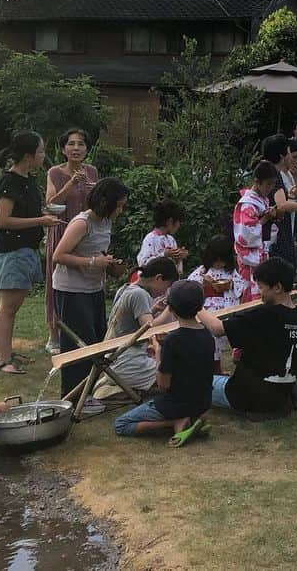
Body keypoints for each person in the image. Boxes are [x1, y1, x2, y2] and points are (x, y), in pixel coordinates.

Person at [52, 177, 131, 404]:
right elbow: (58, 256)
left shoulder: (105, 222)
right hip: (72, 291)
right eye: (119, 204)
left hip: (94, 289)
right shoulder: (81, 222)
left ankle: (89, 392)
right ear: (105, 202)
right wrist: (92, 262)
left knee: (97, 342)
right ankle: (73, 399)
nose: (121, 210)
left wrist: (109, 263)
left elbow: (98, 254)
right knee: (79, 345)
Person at [206, 258, 297, 419]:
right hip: (280, 395)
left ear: (277, 287)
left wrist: (196, 308)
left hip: (243, 396)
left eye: (261, 287)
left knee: (193, 382)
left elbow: (217, 329)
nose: (259, 292)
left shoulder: (263, 315)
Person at [0, 131, 61, 375]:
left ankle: (5, 352)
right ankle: (3, 359)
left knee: (12, 306)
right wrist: (39, 220)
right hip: (12, 251)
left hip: (25, 249)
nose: (44, 156)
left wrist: (42, 214)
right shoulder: (10, 182)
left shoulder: (27, 180)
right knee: (8, 307)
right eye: (41, 151)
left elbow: (26, 212)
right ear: (28, 156)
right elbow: (3, 220)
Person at [114, 281, 213, 447]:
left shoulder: (172, 341)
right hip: (202, 402)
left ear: (171, 308)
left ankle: (175, 423)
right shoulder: (207, 335)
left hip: (175, 405)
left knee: (121, 424)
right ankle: (195, 418)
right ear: (200, 306)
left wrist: (159, 352)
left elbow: (162, 385)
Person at [44, 129, 99, 355]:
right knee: (55, 284)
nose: (76, 148)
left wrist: (90, 186)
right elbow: (49, 204)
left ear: (87, 149)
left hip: (86, 235)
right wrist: (70, 185)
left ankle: (85, 330)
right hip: (61, 233)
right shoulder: (54, 173)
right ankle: (54, 334)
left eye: (81, 144)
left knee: (87, 280)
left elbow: (101, 201)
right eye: (71, 144)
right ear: (63, 149)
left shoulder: (92, 172)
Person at [92, 257, 179, 400]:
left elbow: (132, 322)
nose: (164, 292)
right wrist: (171, 308)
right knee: (173, 374)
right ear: (158, 278)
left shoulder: (127, 288)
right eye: (167, 286)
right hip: (127, 361)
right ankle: (122, 387)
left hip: (112, 359)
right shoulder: (140, 294)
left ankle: (117, 383)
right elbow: (149, 329)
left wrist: (154, 309)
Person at [186, 236, 247, 373]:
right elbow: (189, 286)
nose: (219, 263)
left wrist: (230, 285)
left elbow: (240, 286)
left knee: (218, 345)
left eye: (222, 260)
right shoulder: (202, 272)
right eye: (216, 259)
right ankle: (211, 369)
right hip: (207, 312)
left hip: (223, 311)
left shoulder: (231, 272)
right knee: (207, 342)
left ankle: (216, 369)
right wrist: (204, 284)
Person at [262, 134, 297, 269]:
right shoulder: (273, 174)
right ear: (282, 156)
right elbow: (282, 205)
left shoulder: (271, 171)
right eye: (289, 153)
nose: (294, 159)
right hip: (275, 237)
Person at [234, 160, 279, 303]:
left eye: (273, 184)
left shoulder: (261, 199)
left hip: (261, 252)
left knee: (262, 290)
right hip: (250, 258)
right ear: (257, 181)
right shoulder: (248, 203)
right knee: (251, 294)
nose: (271, 188)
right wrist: (265, 218)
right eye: (268, 184)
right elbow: (246, 234)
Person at [136, 199, 188, 272]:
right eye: (179, 222)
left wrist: (179, 256)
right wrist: (164, 255)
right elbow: (143, 263)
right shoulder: (150, 239)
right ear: (170, 221)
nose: (179, 226)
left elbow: (174, 267)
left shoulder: (171, 239)